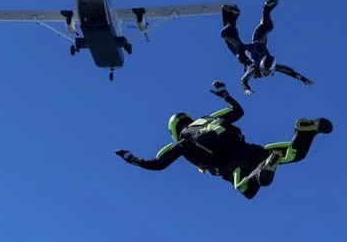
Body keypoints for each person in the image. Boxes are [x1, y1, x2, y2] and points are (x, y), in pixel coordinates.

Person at [115, 82, 332, 199]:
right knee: (295, 154)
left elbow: (158, 164)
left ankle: (266, 166)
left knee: (247, 189)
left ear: (174, 131)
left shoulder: (182, 143)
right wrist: (224, 94)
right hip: (250, 149)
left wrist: (131, 159)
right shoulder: (209, 118)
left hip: (231, 165)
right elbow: (238, 112)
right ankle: (303, 132)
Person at [219, 0, 312, 93]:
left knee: (231, 34)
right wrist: (247, 89)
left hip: (254, 44)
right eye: (266, 71)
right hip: (246, 49)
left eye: (266, 72)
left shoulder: (267, 67)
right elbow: (244, 81)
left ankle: (258, 11)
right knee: (229, 35)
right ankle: (238, 15)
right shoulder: (254, 68)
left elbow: (288, 71)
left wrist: (303, 79)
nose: (266, 73)